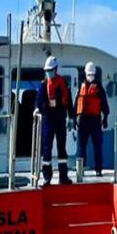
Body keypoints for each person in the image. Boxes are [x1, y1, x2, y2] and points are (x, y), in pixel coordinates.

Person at [36, 55, 74, 185]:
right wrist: (37, 109)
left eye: (50, 70)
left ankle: (63, 176)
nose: (49, 73)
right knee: (47, 148)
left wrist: (71, 117)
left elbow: (69, 101)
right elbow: (39, 99)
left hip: (60, 119)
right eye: (47, 70)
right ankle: (47, 177)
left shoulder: (63, 83)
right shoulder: (44, 84)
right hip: (48, 119)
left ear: (56, 69)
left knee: (61, 147)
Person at [75, 61, 110, 177]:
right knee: (83, 147)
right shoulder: (84, 87)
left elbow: (104, 104)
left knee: (94, 146)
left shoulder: (95, 87)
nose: (90, 76)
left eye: (91, 74)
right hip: (87, 120)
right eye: (89, 74)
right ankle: (85, 169)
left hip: (92, 120)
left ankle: (96, 169)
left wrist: (105, 118)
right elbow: (77, 103)